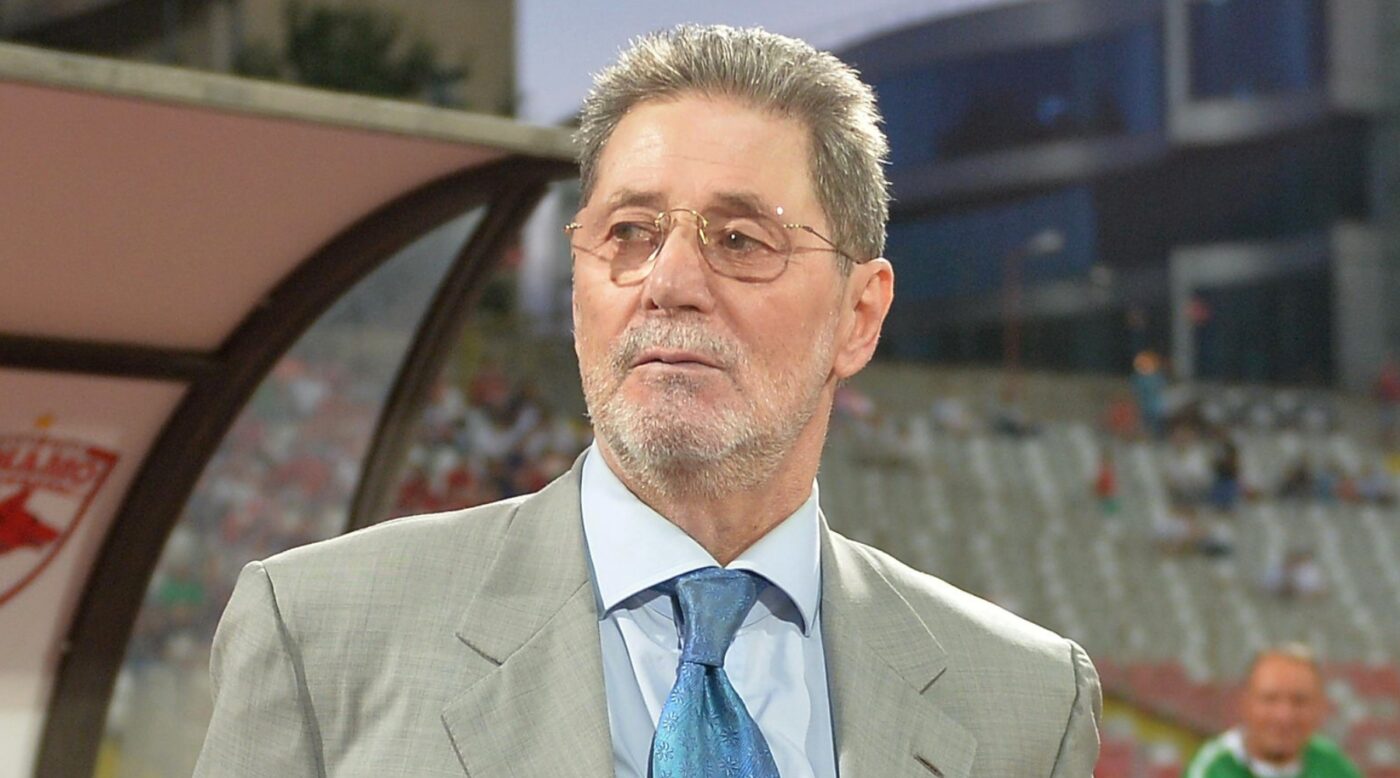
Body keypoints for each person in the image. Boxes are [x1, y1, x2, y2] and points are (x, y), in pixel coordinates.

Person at [194, 25, 1100, 777]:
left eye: (740, 240)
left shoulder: (1029, 704)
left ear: (859, 316)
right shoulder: (318, 634)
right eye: (629, 232)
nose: (669, 283)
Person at [1184, 645, 1360, 778]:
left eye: (1299, 701)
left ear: (1320, 707)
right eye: (1270, 699)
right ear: (1246, 703)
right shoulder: (1213, 769)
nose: (1284, 715)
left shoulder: (1333, 765)